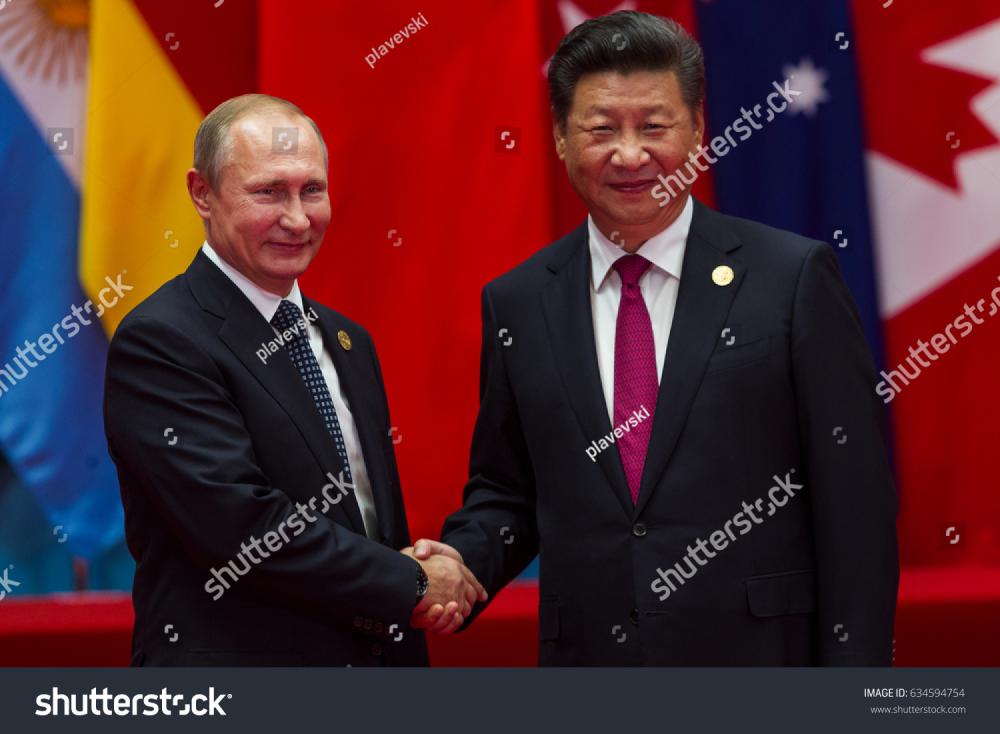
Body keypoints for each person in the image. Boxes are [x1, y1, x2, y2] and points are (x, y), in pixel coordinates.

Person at [412, 11, 898, 665]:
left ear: (698, 130)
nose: (631, 154)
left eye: (655, 126)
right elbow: (508, 491)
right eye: (602, 129)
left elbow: (855, 505)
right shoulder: (519, 302)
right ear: (559, 137)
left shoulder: (791, 277)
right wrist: (458, 564)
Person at [104, 94, 484, 666]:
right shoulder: (161, 340)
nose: (298, 219)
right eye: (268, 192)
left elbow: (369, 525)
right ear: (201, 193)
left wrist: (429, 569)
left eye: (312, 190)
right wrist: (412, 582)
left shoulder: (347, 340)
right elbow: (244, 529)